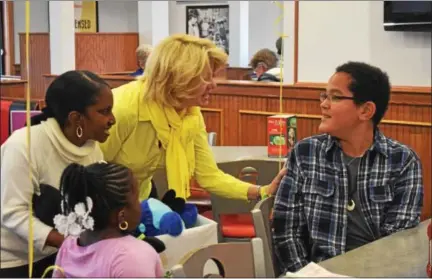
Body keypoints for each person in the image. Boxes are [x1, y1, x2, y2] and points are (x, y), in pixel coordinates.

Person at [272, 61, 424, 273]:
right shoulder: (305, 153)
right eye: (323, 96)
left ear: (366, 110)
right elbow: (286, 231)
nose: (324, 104)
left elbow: (396, 242)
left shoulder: (402, 161)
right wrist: (307, 275)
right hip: (315, 273)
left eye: (335, 97)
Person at [99, 34, 286, 203]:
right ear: (180, 78)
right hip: (100, 204)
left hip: (139, 201)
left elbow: (209, 176)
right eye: (206, 77)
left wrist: (262, 191)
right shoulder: (122, 108)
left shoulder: (190, 114)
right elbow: (88, 173)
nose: (214, 85)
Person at [0, 70, 115, 278]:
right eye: (104, 111)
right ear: (76, 118)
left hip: (63, 253)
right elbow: (12, 213)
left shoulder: (92, 149)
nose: (112, 119)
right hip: (14, 260)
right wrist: (71, 244)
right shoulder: (23, 145)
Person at [52, 162, 163, 278]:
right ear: (122, 215)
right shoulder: (132, 257)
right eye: (137, 198)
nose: (140, 204)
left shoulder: (69, 245)